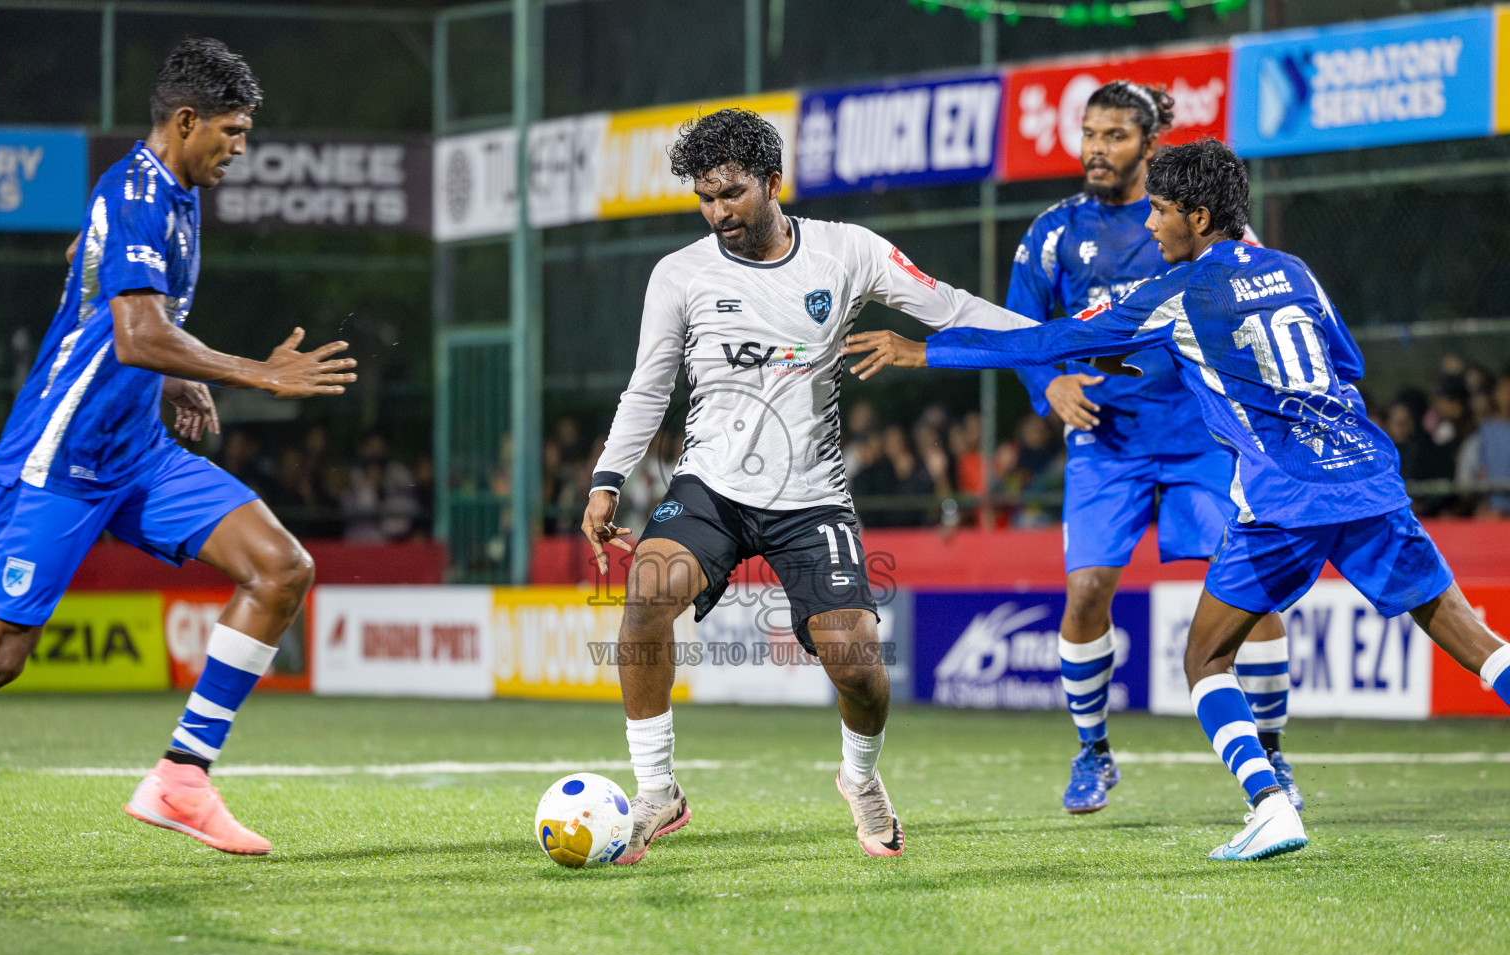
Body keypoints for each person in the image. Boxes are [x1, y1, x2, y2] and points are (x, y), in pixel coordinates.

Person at [844, 138, 1510, 861]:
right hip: (1368, 479)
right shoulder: (1293, 269)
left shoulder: (1177, 294)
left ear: (1198, 216)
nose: (1150, 226)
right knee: (1460, 628)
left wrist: (925, 350)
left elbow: (1051, 343)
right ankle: (1265, 778)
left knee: (1205, 659)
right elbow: (1344, 363)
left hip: (1284, 497)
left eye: (1160, 212)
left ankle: (1268, 804)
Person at [580, 107, 1030, 864]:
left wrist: (1052, 345)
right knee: (647, 594)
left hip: (812, 498)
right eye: (705, 198)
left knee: (856, 664)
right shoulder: (680, 275)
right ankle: (657, 790)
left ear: (772, 182)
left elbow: (948, 308)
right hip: (711, 487)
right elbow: (648, 389)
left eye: (731, 193)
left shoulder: (847, 253)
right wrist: (606, 481)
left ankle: (860, 779)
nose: (718, 212)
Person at [0, 39, 356, 855]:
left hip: (137, 451)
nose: (240, 148)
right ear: (185, 122)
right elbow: (140, 330)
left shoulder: (174, 194)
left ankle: (182, 779)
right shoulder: (138, 191)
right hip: (63, 455)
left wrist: (172, 375)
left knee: (281, 567)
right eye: (233, 130)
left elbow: (93, 282)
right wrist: (258, 373)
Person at [1004, 80, 1296, 815]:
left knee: (1252, 595)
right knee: (1086, 590)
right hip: (1106, 444)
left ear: (1148, 142)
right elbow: (1019, 330)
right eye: (1089, 133)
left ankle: (1271, 752)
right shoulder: (1052, 232)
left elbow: (1259, 298)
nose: (1096, 149)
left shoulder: (1194, 220)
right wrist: (1050, 389)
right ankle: (1093, 752)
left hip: (1200, 439)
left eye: (1114, 136)